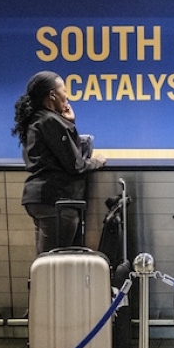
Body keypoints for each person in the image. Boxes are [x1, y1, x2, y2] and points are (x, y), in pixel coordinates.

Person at [12, 71, 106, 255]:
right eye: (64, 89)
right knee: (53, 265)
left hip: (39, 199)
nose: (67, 95)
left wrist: (68, 123)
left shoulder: (38, 120)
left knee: (44, 261)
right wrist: (96, 162)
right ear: (52, 94)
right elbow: (76, 165)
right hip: (56, 202)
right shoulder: (50, 121)